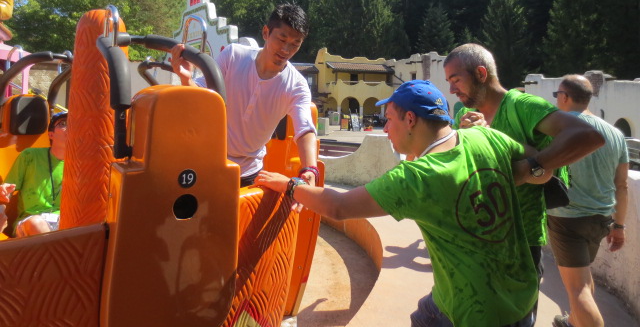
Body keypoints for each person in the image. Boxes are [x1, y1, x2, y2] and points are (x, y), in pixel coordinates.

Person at [257, 79, 548, 326]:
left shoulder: (416, 179)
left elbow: (338, 206)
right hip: (521, 293)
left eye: (390, 120)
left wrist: (289, 185)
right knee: (424, 315)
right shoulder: (486, 136)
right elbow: (540, 164)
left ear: (410, 120)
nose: (385, 129)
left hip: (474, 312)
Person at [443, 43, 605, 322]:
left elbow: (587, 136)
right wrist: (464, 138)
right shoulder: (462, 115)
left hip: (520, 245)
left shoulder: (522, 106)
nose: (452, 90)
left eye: (456, 80)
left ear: (481, 73)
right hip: (477, 239)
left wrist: (530, 165)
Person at [171, 3, 319, 192]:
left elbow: (305, 128)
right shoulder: (233, 56)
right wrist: (186, 78)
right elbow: (202, 96)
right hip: (206, 160)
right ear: (266, 33)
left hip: (249, 172)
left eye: (295, 44)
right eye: (282, 39)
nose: (286, 50)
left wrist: (310, 169)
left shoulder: (296, 85)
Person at [548, 75, 629, 327]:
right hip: (601, 219)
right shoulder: (615, 134)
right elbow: (622, 185)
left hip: (567, 219)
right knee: (583, 278)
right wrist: (619, 226)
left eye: (556, 96)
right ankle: (573, 320)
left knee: (577, 288)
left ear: (565, 96)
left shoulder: (557, 127)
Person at [0, 111, 67, 237]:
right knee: (36, 223)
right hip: (31, 222)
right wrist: (4, 192)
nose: (70, 127)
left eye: (73, 124)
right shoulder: (30, 156)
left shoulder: (82, 165)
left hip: (66, 223)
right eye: (63, 124)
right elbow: (7, 191)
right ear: (51, 134)